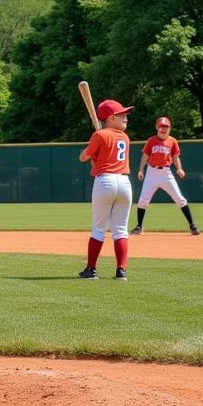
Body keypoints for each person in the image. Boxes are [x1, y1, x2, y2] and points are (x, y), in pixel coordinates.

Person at [78, 98, 133, 281]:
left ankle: (91, 270)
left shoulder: (100, 135)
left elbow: (84, 158)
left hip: (106, 181)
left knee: (98, 228)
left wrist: (91, 144)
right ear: (110, 118)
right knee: (120, 230)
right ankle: (121, 271)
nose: (126, 117)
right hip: (124, 184)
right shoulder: (125, 137)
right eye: (121, 115)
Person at [131, 116, 200, 236]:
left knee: (180, 199)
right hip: (151, 172)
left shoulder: (172, 141)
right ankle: (139, 226)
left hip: (166, 173)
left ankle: (192, 225)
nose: (164, 129)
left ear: (170, 128)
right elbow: (145, 157)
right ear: (157, 127)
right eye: (162, 127)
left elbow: (175, 157)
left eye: (166, 127)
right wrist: (141, 170)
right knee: (143, 201)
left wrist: (179, 168)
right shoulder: (151, 140)